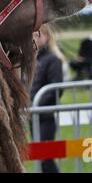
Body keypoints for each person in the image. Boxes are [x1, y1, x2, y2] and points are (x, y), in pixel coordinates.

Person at [30, 25, 67, 173]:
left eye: (38, 35)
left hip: (45, 116)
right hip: (32, 116)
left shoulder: (53, 60)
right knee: (39, 157)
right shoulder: (29, 59)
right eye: (32, 35)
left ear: (47, 37)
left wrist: (35, 104)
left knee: (45, 159)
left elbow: (55, 89)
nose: (34, 38)